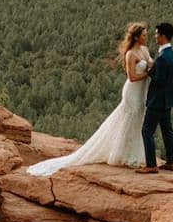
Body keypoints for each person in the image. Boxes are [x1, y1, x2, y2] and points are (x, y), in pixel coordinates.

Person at [27, 22, 152, 176]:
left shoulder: (145, 50)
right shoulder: (130, 54)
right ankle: (125, 155)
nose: (146, 37)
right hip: (132, 91)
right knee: (130, 120)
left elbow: (151, 63)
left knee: (139, 120)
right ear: (136, 37)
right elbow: (132, 77)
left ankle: (134, 154)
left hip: (142, 91)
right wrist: (149, 74)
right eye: (144, 34)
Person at [136, 22, 173, 172]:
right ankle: (171, 162)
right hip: (168, 98)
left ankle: (151, 165)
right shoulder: (172, 54)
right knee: (167, 130)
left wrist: (149, 69)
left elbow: (158, 79)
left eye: (156, 34)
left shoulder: (162, 57)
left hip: (157, 99)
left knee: (147, 131)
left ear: (163, 36)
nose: (155, 36)